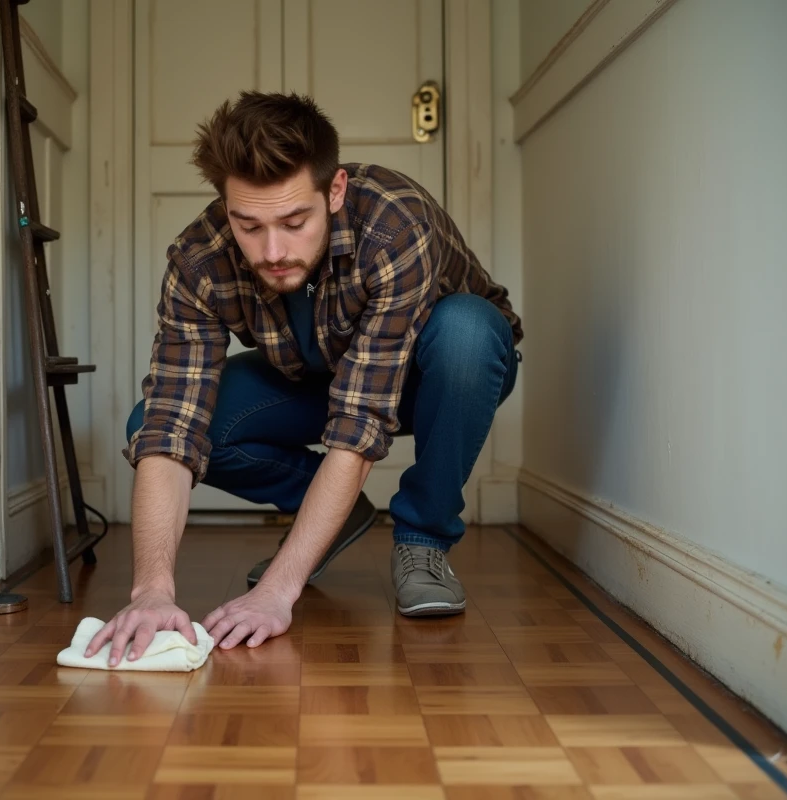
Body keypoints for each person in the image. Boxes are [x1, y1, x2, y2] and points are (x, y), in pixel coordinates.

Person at [85, 91, 523, 667]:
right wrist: (151, 592)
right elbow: (171, 425)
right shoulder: (199, 259)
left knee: (466, 330)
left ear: (334, 191)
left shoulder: (393, 222)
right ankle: (339, 513)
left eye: (295, 222)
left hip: (432, 377)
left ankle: (423, 540)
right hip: (312, 379)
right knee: (147, 421)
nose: (272, 251)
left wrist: (277, 591)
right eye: (249, 225)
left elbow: (360, 422)